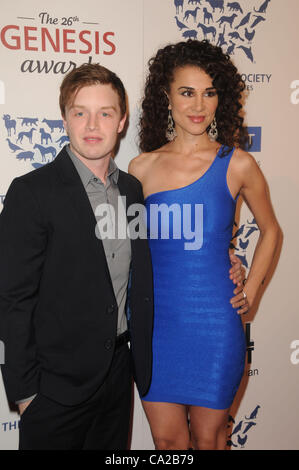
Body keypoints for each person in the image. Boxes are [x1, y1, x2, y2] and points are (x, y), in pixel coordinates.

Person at [129, 40, 280, 450]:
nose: (199, 105)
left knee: (210, 439)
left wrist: (250, 292)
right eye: (187, 92)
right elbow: (134, 251)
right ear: (167, 97)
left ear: (220, 99)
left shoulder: (237, 163)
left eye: (209, 92)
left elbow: (271, 231)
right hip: (157, 324)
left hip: (214, 322)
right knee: (167, 442)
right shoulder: (140, 168)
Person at [0, 63, 155, 450]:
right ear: (65, 120)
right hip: (53, 388)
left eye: (105, 113)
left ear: (121, 122)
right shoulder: (31, 192)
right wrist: (24, 393)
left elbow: (139, 271)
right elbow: (11, 299)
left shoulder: (133, 190)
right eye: (79, 112)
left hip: (118, 376)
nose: (92, 124)